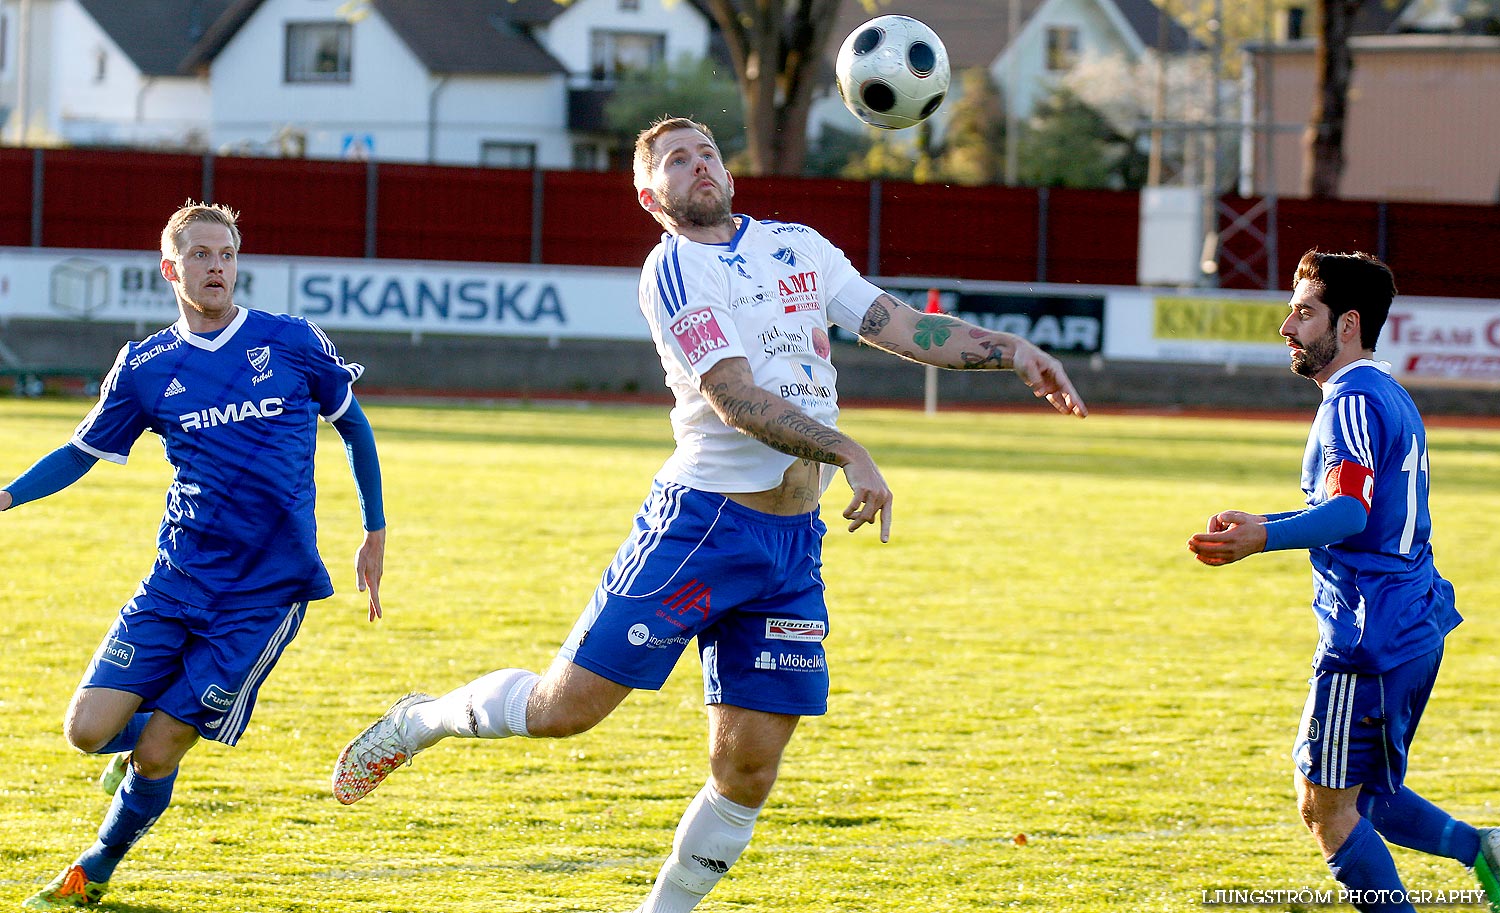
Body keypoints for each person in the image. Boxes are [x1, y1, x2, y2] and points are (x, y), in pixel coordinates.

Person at [330, 115, 1086, 913]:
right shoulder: (676, 268)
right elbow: (733, 396)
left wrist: (1012, 350)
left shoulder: (798, 243)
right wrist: (848, 452)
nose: (699, 166)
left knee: (749, 769)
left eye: (709, 153)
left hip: (791, 548)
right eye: (676, 159)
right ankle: (426, 719)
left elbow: (894, 322)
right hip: (701, 528)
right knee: (564, 712)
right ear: (649, 194)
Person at [4, 201, 387, 910]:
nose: (217, 266)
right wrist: (7, 495)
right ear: (170, 268)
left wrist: (375, 529)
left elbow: (355, 430)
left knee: (156, 753)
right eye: (202, 254)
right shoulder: (146, 365)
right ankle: (148, 734)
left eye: (228, 253)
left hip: (264, 596)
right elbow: (80, 452)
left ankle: (95, 866)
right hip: (175, 580)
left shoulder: (290, 341)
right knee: (86, 732)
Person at [1187, 250, 1497, 913]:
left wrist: (1262, 535)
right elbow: (1357, 507)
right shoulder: (1386, 393)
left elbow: (1351, 511)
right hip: (1411, 623)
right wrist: (1266, 520)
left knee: (1324, 807)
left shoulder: (1351, 400)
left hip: (1369, 638)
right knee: (1364, 794)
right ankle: (1485, 850)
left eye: (1305, 312)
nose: (1287, 326)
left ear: (1347, 324)